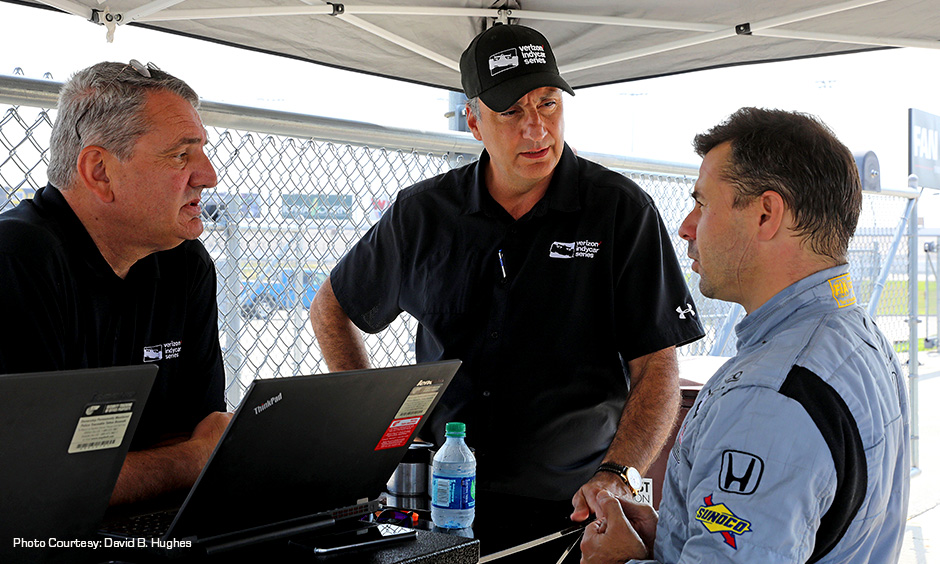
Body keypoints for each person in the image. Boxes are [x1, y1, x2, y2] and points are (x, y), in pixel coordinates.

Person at [310, 23, 704, 521]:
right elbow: (332, 307)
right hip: (443, 499)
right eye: (511, 110)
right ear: (473, 122)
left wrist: (619, 474)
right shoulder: (422, 214)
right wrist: (376, 433)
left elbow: (657, 365)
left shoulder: (621, 211)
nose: (536, 128)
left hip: (575, 508)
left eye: (548, 103)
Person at [580, 108, 911, 563]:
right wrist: (672, 535)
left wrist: (620, 561)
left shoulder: (767, 399)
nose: (686, 227)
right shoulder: (861, 338)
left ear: (766, 214)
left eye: (702, 203)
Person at [0, 61, 231, 505]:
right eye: (182, 155)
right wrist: (186, 462)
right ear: (100, 172)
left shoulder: (184, 263)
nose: (208, 175)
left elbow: (204, 432)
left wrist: (118, 470)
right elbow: (32, 484)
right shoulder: (18, 259)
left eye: (202, 150)